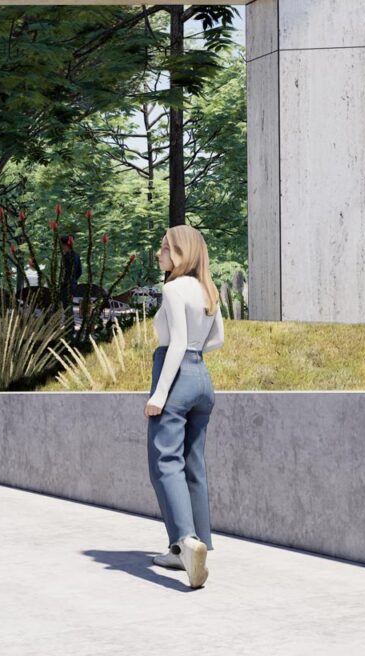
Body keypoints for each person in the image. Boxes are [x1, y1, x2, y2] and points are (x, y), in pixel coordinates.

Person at [145, 224, 225, 590]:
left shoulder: (173, 289)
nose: (159, 253)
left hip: (174, 375)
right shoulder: (207, 289)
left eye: (164, 247)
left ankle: (184, 543)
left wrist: (159, 395)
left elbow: (175, 344)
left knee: (165, 462)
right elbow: (217, 340)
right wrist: (194, 357)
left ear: (180, 253)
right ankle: (200, 541)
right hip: (201, 379)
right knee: (193, 462)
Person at [60, 235, 83, 304]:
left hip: (65, 284)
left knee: (65, 303)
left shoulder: (65, 256)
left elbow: (64, 271)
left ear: (64, 245)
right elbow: (79, 271)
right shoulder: (77, 255)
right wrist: (74, 279)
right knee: (69, 304)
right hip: (73, 284)